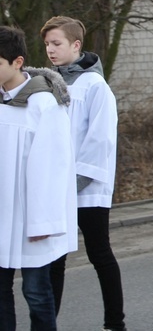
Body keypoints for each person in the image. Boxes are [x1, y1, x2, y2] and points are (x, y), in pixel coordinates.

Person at [41, 16, 125, 331]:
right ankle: (48, 323)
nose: (50, 49)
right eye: (47, 44)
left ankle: (115, 323)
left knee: (99, 253)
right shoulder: (46, 82)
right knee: (54, 260)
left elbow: (100, 139)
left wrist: (76, 181)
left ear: (76, 45)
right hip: (55, 185)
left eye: (57, 43)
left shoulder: (94, 85)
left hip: (86, 186)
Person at [0, 26, 77, 331]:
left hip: (30, 216)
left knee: (35, 292)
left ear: (17, 62)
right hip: (2, 214)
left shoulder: (43, 103)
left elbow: (52, 167)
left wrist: (42, 222)